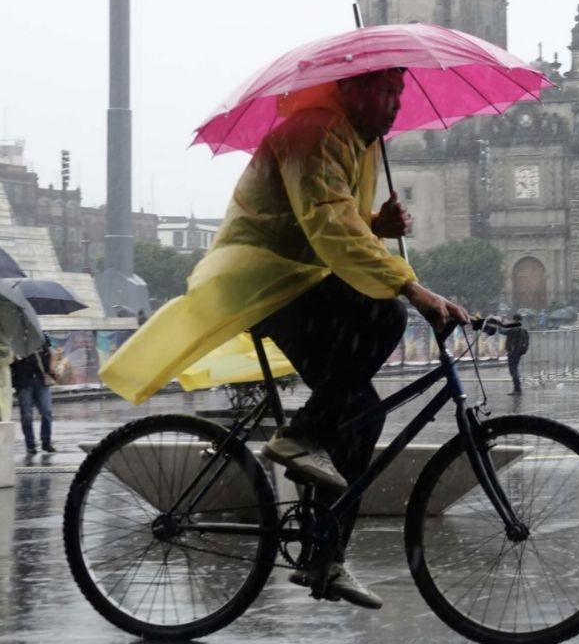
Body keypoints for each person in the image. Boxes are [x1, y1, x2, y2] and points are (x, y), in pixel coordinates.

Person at [100, 68, 469, 610]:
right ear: (349, 88)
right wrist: (413, 288)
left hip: (296, 277)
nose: (395, 103)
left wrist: (376, 225)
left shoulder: (356, 143)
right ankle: (296, 439)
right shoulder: (314, 132)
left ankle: (325, 555)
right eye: (384, 90)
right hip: (261, 278)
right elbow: (327, 226)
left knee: (359, 412)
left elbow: (335, 219)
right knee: (386, 317)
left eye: (399, 92)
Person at [11, 336, 56, 454]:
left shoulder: (42, 337)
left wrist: (52, 368)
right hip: (23, 382)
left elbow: (51, 352)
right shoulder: (15, 340)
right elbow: (11, 359)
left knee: (47, 412)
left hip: (41, 380)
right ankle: (30, 444)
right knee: (27, 415)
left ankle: (46, 442)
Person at [497, 313, 530, 395]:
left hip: (512, 352)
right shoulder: (523, 329)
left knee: (513, 371)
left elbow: (501, 331)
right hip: (519, 352)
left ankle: (517, 390)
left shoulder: (513, 329)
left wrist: (499, 323)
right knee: (515, 369)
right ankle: (517, 389)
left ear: (514, 320)